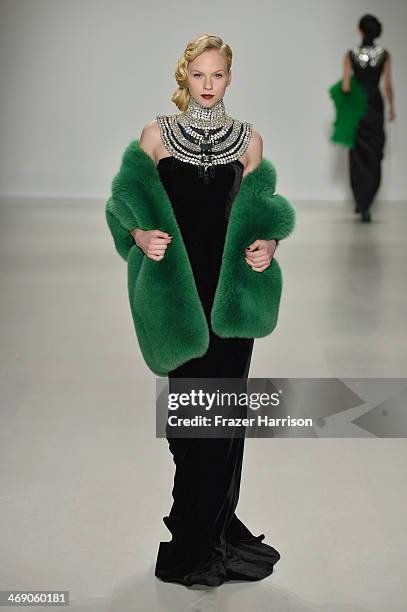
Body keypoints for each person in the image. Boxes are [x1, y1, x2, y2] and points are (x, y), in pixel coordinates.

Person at [105, 33, 296, 587]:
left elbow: (263, 215)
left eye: (217, 76)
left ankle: (207, 536)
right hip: (180, 299)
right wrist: (140, 236)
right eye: (198, 76)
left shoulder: (248, 139)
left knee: (225, 418)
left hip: (230, 298)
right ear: (184, 78)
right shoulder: (156, 136)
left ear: (229, 78)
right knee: (190, 425)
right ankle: (196, 528)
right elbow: (123, 201)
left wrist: (268, 247)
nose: (208, 86)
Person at [342, 14, 395, 222]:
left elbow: (346, 87)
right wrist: (391, 108)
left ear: (359, 30)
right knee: (375, 154)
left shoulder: (350, 54)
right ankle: (368, 202)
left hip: (357, 107)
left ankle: (360, 202)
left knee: (357, 154)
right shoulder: (385, 55)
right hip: (375, 107)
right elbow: (388, 86)